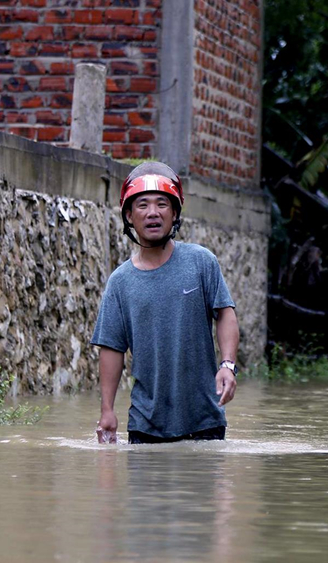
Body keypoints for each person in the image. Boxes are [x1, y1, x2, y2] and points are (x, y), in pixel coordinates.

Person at [91, 161, 239, 444]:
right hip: (146, 425)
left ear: (174, 213)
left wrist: (228, 365)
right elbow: (111, 347)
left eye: (162, 204)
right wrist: (107, 411)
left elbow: (225, 313)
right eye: (143, 205)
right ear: (129, 216)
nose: (153, 213)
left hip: (205, 419)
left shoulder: (201, 262)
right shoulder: (120, 282)